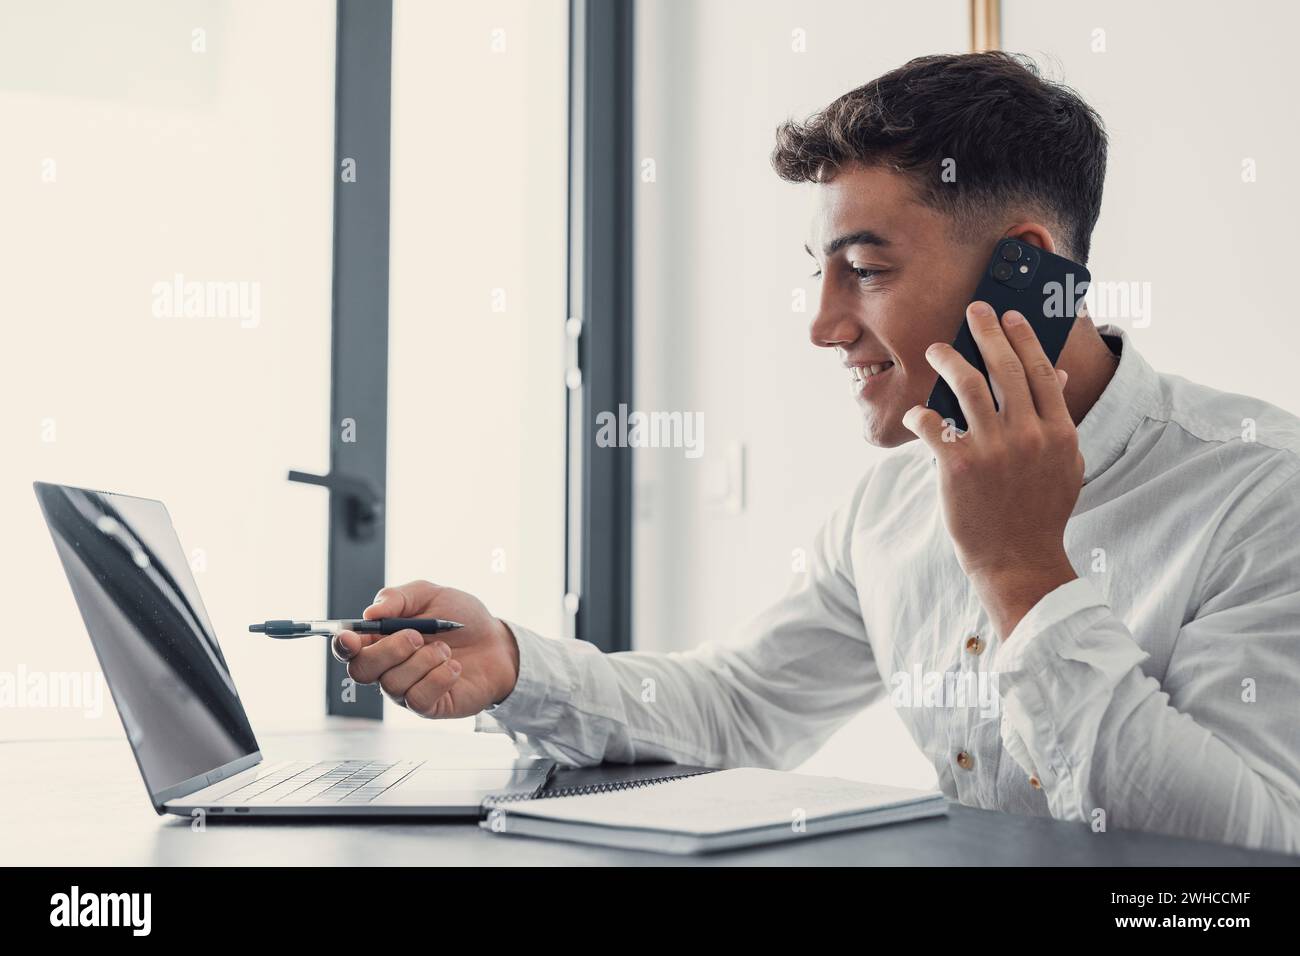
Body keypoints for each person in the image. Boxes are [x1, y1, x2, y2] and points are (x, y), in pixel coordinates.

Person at [333, 52, 1300, 853]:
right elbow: (740, 707)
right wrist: (514, 664)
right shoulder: (893, 504)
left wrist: (1023, 574)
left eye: (867, 271)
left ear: (1029, 271)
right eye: (822, 276)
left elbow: (1245, 852)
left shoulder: (1264, 494)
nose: (825, 327)